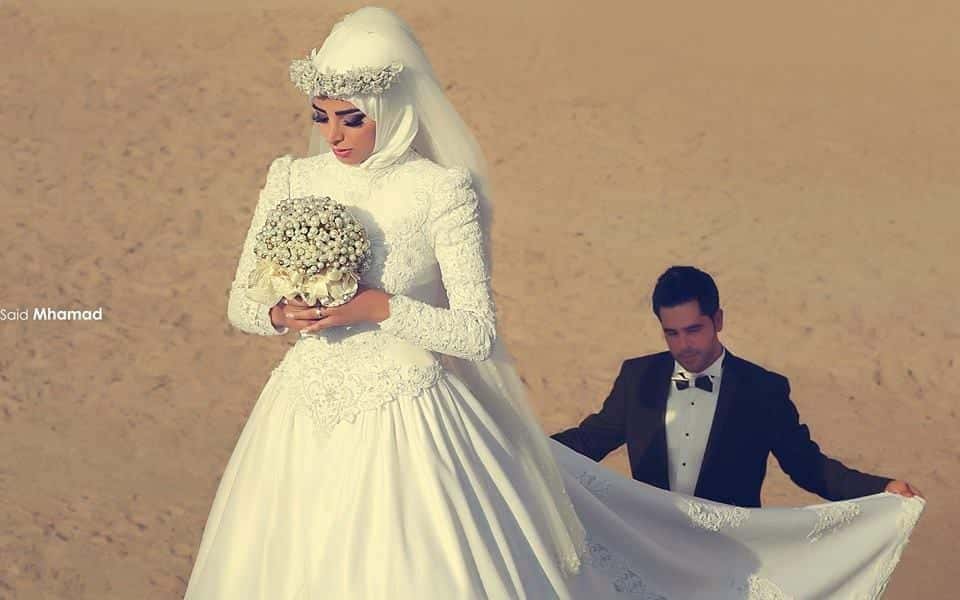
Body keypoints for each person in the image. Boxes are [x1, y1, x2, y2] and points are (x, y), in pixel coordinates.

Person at [184, 8, 924, 599]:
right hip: (299, 418)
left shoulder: (441, 192)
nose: (335, 135)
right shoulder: (290, 180)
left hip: (408, 419)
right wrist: (286, 315)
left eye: (353, 116)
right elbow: (241, 304)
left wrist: (376, 309)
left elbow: (475, 332)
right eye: (322, 116)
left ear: (396, 103)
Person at [552, 265, 922, 508]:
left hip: (731, 558)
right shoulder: (638, 377)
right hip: (653, 552)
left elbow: (807, 466)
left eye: (694, 330)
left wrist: (879, 489)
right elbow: (590, 442)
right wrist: (508, 445)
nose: (684, 345)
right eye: (672, 333)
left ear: (718, 320)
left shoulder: (762, 390)